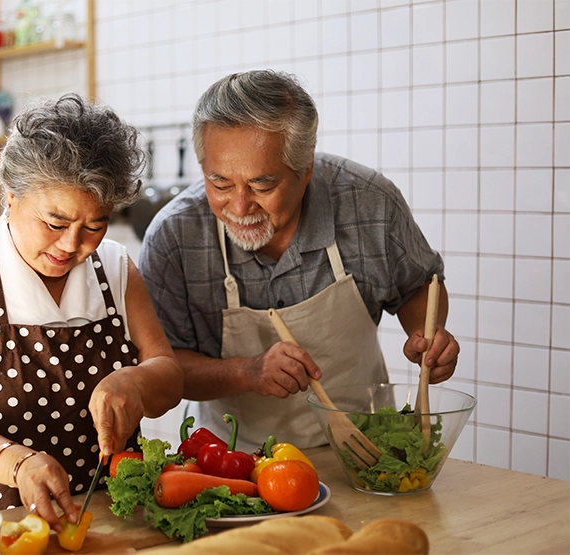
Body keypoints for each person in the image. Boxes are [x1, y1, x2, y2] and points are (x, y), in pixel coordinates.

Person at [138, 70, 459, 452]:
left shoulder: (368, 202)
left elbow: (418, 285)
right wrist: (247, 372)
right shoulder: (174, 236)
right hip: (235, 463)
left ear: (306, 170)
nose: (239, 207)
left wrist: (427, 335)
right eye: (220, 183)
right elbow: (165, 368)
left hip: (364, 452)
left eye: (262, 185)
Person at [0, 93, 183, 531]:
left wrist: (136, 380)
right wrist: (16, 463)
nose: (73, 244)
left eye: (95, 225)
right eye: (55, 223)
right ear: (10, 194)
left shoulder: (114, 267)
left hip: (101, 522)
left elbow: (169, 375)